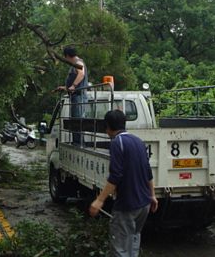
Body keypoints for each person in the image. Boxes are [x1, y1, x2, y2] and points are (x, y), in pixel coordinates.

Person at [89, 110, 158, 257]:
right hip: (144, 204)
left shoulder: (117, 143)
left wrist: (99, 200)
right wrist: (152, 195)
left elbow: (115, 176)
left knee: (120, 249)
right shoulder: (138, 141)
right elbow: (148, 171)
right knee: (133, 240)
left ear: (107, 127)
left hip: (128, 204)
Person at [56, 47, 88, 146]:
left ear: (67, 56)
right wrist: (64, 87)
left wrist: (73, 86)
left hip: (79, 97)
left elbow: (81, 74)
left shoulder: (78, 63)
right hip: (75, 96)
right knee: (75, 121)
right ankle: (77, 142)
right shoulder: (75, 64)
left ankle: (78, 143)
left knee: (77, 121)